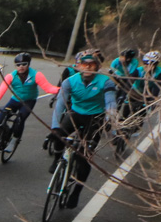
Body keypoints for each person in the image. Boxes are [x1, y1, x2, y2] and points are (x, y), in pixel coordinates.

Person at [49, 50, 118, 209]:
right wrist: (55, 127)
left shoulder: (106, 82)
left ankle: (76, 191)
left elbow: (110, 104)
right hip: (75, 113)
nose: (87, 67)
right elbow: (60, 104)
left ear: (97, 67)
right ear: (78, 66)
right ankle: (57, 159)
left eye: (91, 64)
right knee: (58, 138)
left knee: (83, 157)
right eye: (84, 64)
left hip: (95, 118)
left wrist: (109, 120)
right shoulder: (69, 81)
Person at [0, 53, 60, 152]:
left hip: (29, 101)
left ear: (28, 64)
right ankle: (4, 135)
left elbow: (48, 88)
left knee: (20, 119)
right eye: (18, 65)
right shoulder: (11, 76)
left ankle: (14, 140)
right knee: (0, 120)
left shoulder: (36, 75)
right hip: (14, 100)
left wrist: (62, 89)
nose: (21, 67)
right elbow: (2, 89)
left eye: (24, 64)